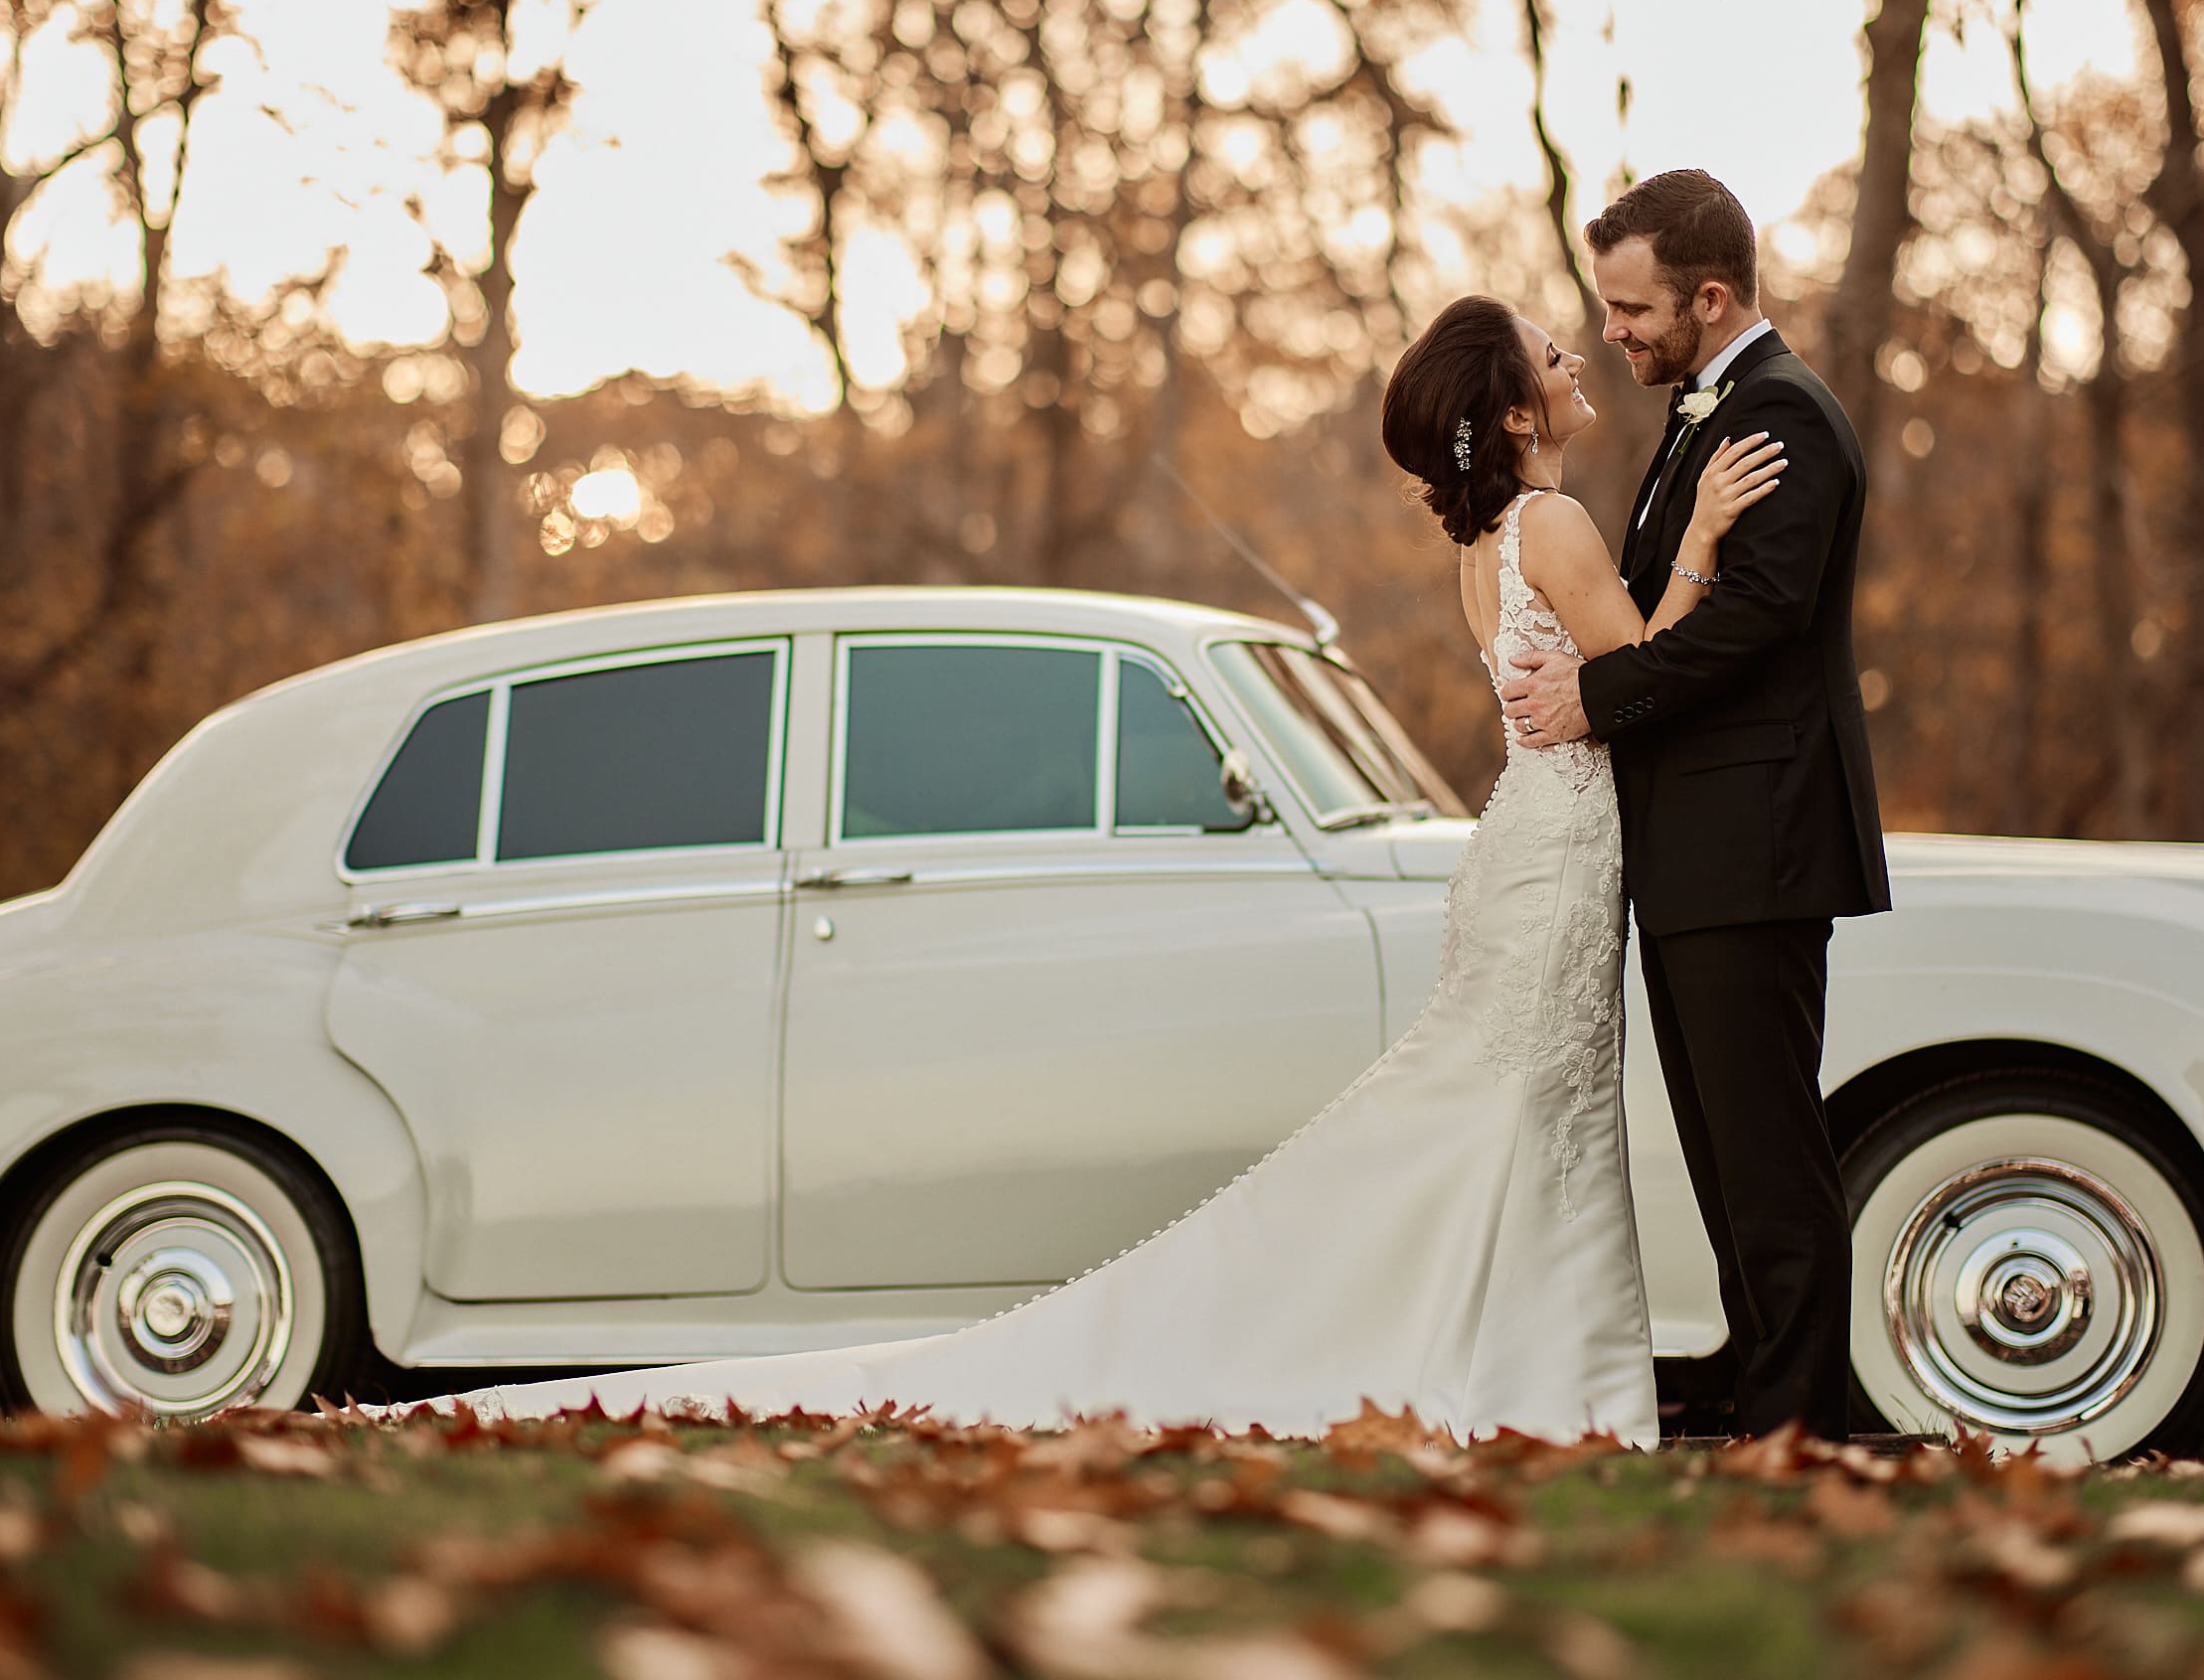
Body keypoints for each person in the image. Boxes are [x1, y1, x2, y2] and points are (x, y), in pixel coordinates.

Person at [405, 293, 1788, 1445]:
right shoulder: (1548, 529)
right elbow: (1650, 666)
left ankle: (1522, 1371)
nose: (1572, 360)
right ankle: (1532, 1378)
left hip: (1530, 851)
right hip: (1550, 853)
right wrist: (1712, 536)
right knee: (1523, 1110)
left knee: (1509, 1111)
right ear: (1515, 406)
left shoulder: (1487, 552)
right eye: (1551, 352)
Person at [1497, 170, 1892, 1440]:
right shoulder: (1702, 415)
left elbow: (1758, 628)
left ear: (1709, 298)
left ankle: (1803, 1432)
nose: (1612, 332)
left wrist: (1597, 697)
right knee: (1725, 1162)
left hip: (1758, 847)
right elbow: (1690, 598)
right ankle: (1769, 1401)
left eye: (1631, 308)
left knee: (1770, 1161)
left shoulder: (1788, 419)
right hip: (1692, 856)